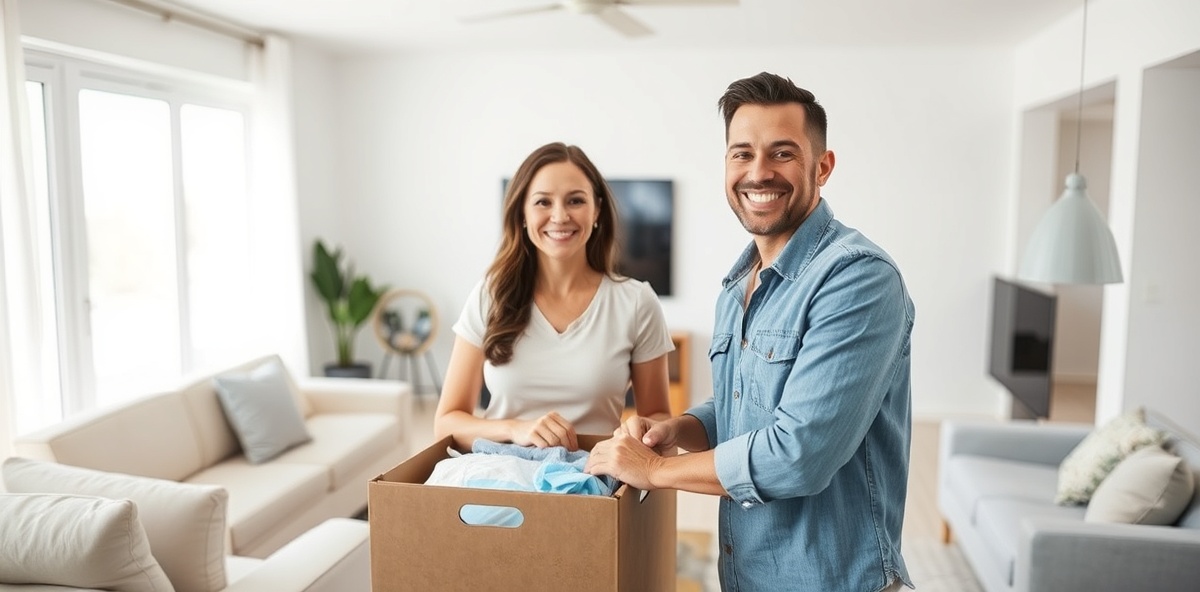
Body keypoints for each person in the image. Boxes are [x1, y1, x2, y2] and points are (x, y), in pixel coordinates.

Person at [585, 72, 915, 592]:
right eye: (742, 154)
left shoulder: (858, 278)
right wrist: (679, 430)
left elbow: (798, 454)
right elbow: (744, 408)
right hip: (748, 576)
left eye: (782, 153)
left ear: (822, 167)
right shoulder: (738, 285)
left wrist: (655, 470)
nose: (758, 173)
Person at [434, 141, 675, 453]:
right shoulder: (490, 295)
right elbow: (446, 423)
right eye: (543, 202)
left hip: (592, 482)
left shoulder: (637, 302)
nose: (560, 216)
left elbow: (658, 416)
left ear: (597, 209)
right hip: (498, 477)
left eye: (575, 200)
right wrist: (516, 429)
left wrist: (640, 431)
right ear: (522, 213)